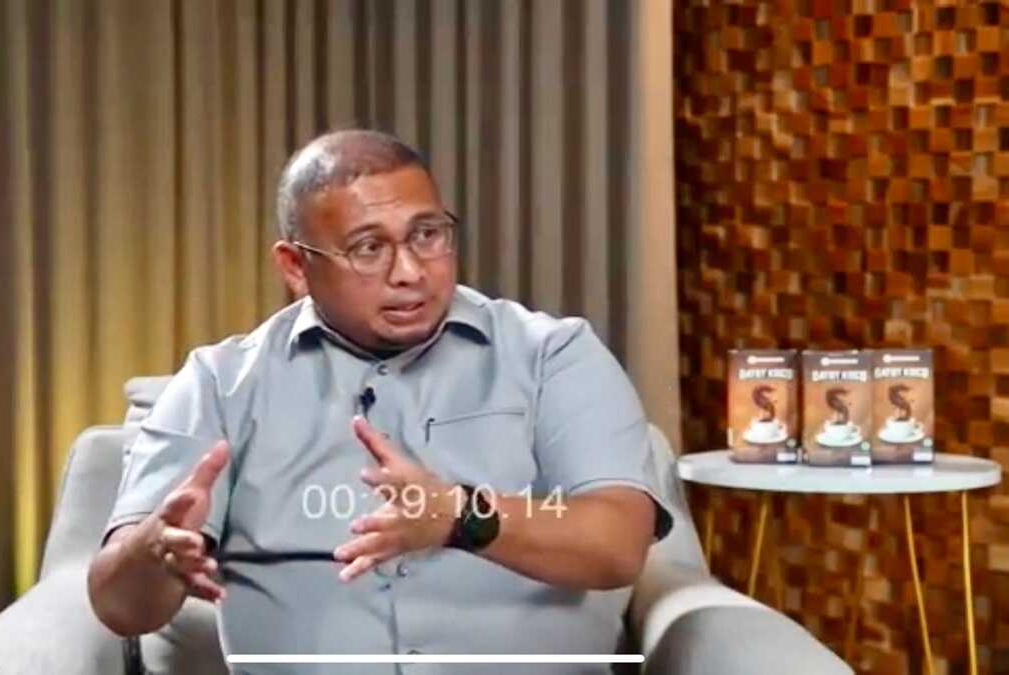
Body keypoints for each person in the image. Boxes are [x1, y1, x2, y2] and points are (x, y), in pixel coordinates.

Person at [87, 129, 673, 674]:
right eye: (369, 248)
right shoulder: (220, 385)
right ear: (295, 266)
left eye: (427, 235)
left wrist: (460, 517)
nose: (410, 272)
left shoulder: (553, 356)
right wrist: (153, 553)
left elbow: (617, 542)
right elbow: (119, 607)